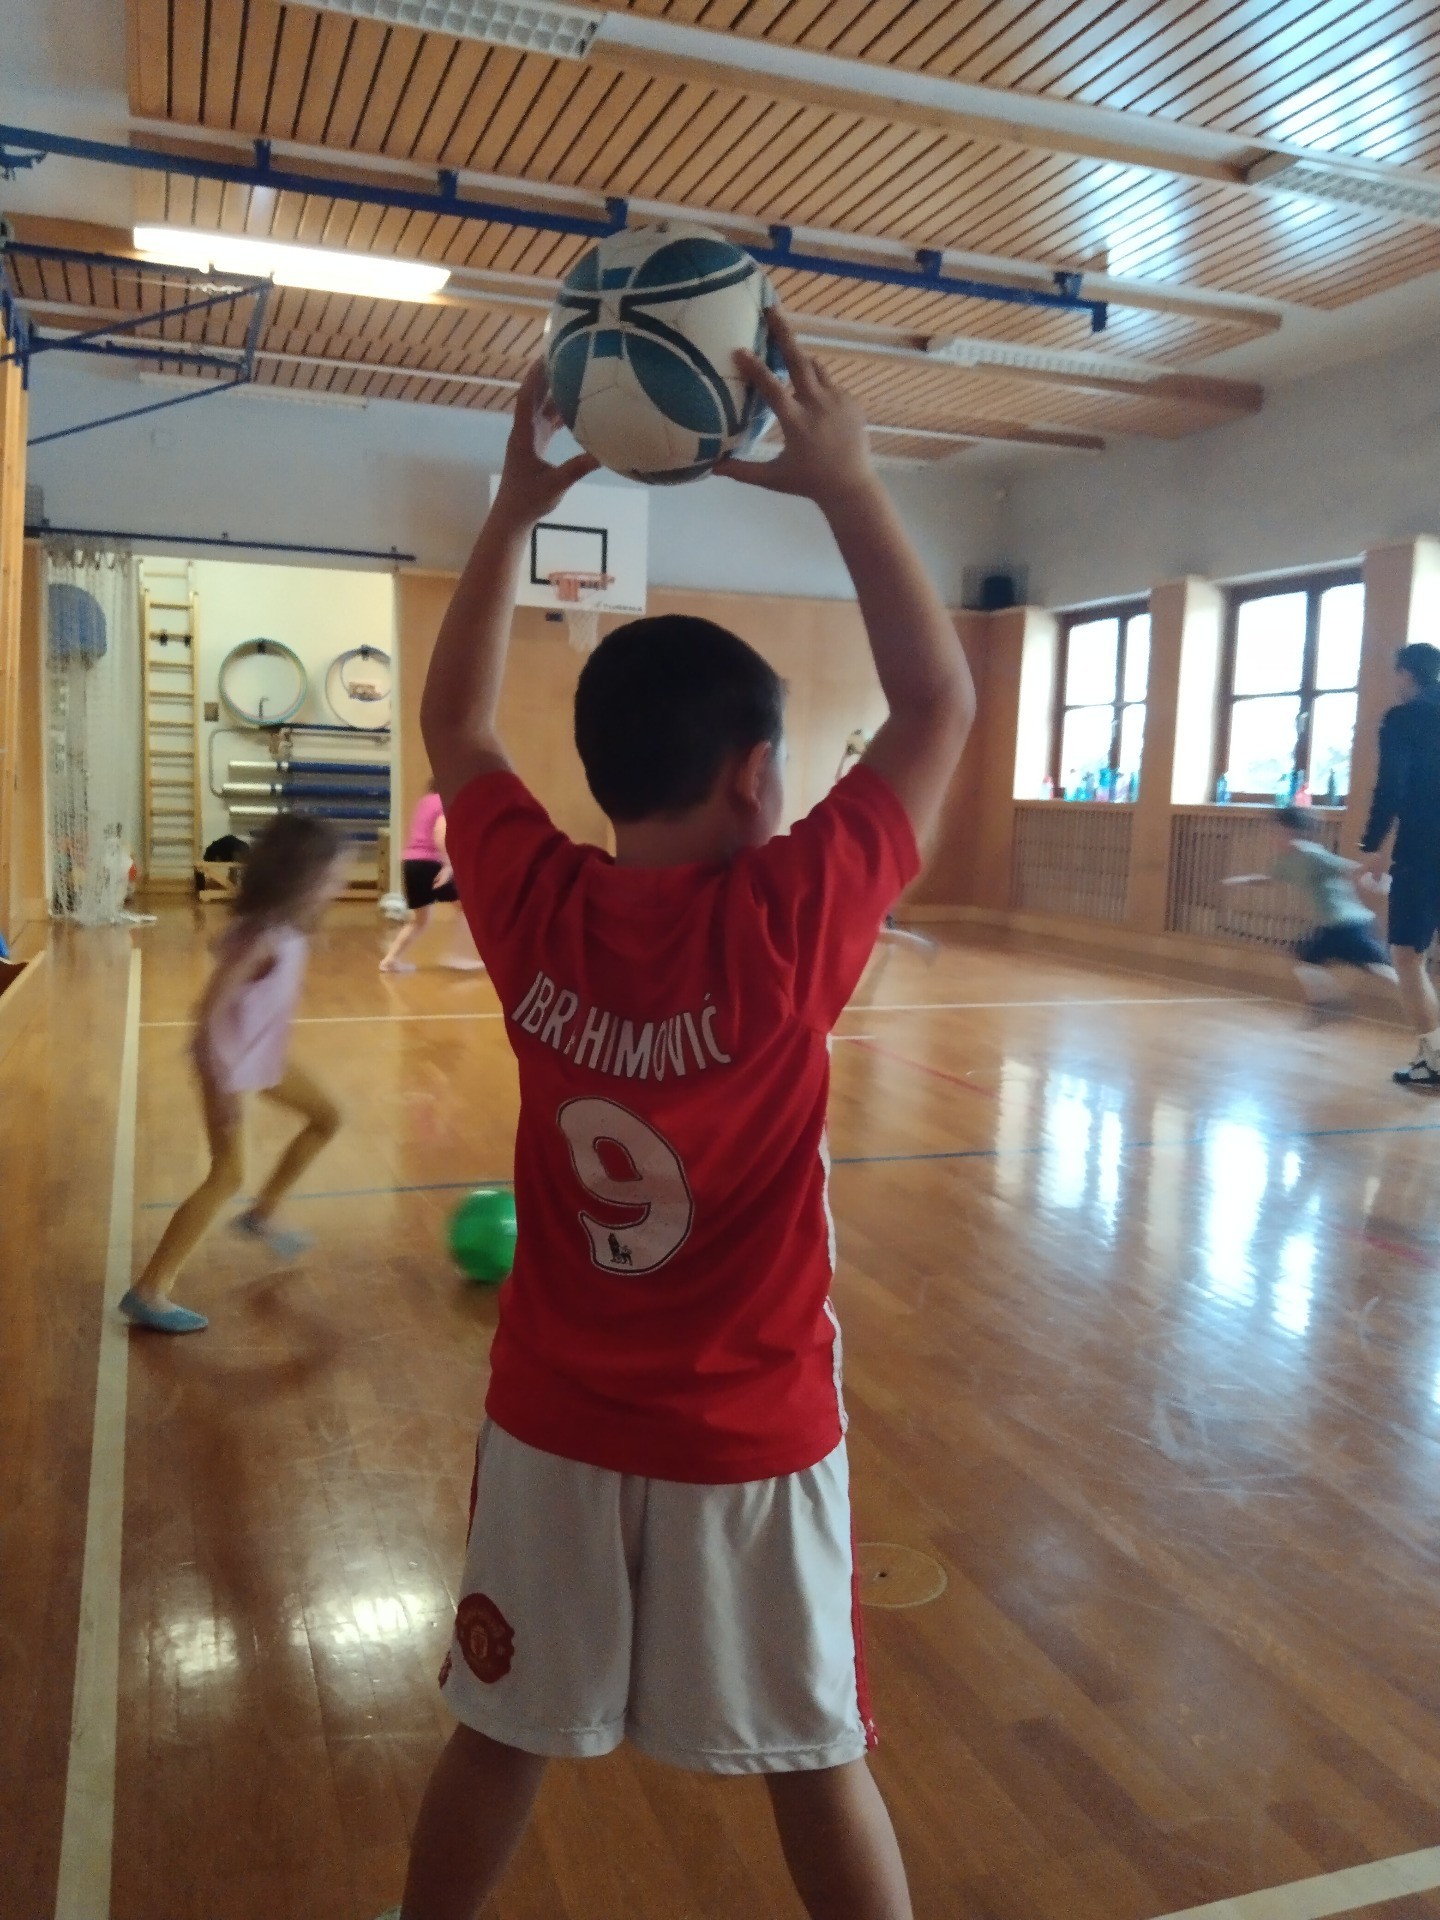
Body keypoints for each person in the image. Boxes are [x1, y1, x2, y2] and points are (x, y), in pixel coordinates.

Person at [376, 313, 974, 1920]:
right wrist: (848, 486)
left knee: (496, 1735)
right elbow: (937, 706)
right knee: (816, 1756)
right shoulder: (788, 923)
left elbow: (456, 732)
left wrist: (514, 507)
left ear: (602, 770)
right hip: (748, 1432)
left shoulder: (533, 901)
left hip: (553, 1420)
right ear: (760, 775)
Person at [119, 813, 348, 1335]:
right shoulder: (263, 936)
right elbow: (208, 1011)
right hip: (225, 1062)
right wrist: (220, 1085)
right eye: (332, 875)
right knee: (227, 1175)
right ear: (303, 875)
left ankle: (262, 1213)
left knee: (328, 1117)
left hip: (259, 1057)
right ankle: (149, 1290)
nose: (337, 885)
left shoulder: (280, 928)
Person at [1224, 807, 1397, 1019]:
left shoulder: (1312, 854)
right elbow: (1270, 879)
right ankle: (1327, 1005)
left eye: (1276, 831)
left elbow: (1351, 869)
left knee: (1380, 969)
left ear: (1290, 831)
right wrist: (1243, 880)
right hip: (1331, 926)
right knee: (1306, 957)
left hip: (1350, 923)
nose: (1272, 837)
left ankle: (1334, 1004)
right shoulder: (1285, 861)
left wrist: (1377, 876)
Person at [1358, 641, 1440, 1085]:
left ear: (1406, 674)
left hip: (1425, 848)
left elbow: (1391, 784)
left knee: (1407, 954)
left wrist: (1372, 843)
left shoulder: (1403, 718)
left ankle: (1436, 1059)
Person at [381, 780, 485, 973]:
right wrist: (447, 865)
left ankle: (390, 960)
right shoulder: (446, 801)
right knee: (468, 908)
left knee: (420, 920)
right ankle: (458, 956)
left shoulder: (425, 802)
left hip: (411, 862)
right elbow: (441, 831)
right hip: (432, 863)